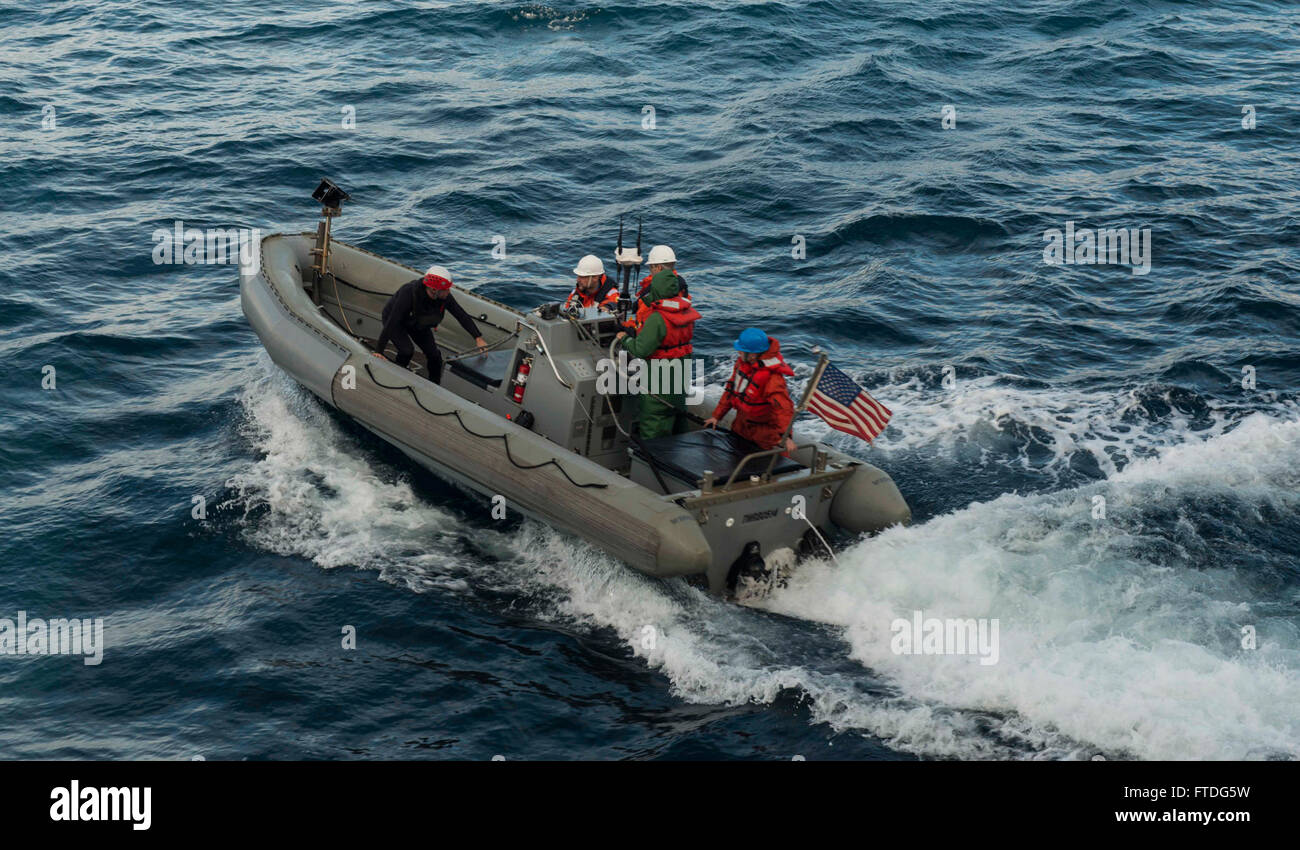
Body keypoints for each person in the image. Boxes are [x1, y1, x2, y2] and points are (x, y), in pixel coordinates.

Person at [613, 261, 700, 440]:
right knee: (678, 422)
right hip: (679, 378)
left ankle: (651, 464)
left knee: (653, 424)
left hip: (659, 382)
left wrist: (625, 338)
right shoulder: (687, 312)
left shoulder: (657, 318)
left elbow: (641, 349)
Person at [372, 264, 487, 383]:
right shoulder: (408, 292)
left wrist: (478, 337)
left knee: (435, 356)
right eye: (446, 289)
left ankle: (434, 384)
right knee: (406, 351)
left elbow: (460, 314)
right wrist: (378, 351)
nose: (448, 292)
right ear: (434, 290)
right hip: (397, 322)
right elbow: (392, 321)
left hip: (418, 323)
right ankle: (396, 375)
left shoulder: (444, 297)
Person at [704, 327, 797, 454]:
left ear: (752, 355)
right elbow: (730, 391)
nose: (739, 353)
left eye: (741, 351)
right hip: (741, 425)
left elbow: (783, 409)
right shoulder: (742, 365)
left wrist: (786, 437)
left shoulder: (772, 379)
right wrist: (716, 416)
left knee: (766, 465)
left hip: (764, 432)